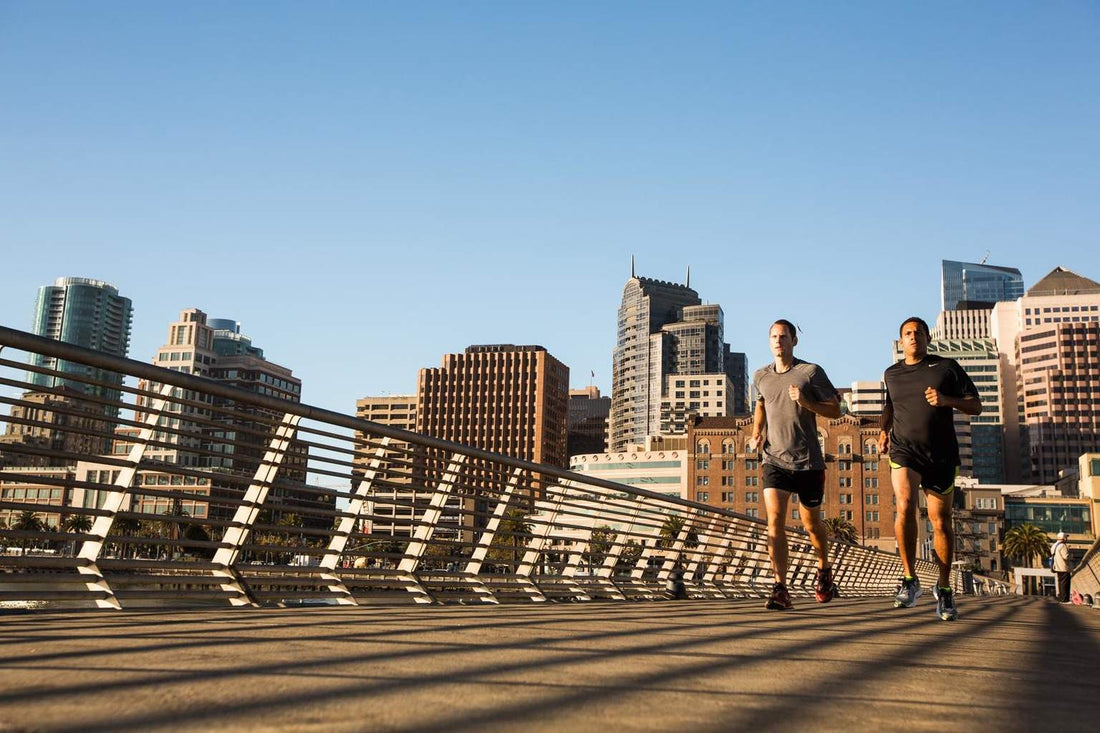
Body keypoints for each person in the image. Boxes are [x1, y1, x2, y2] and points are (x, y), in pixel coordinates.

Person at [879, 316, 982, 621]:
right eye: (908, 333)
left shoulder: (946, 367)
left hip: (941, 455)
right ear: (901, 341)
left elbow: (975, 405)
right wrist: (884, 430)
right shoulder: (892, 373)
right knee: (905, 504)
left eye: (918, 332)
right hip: (904, 450)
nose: (913, 337)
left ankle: (944, 587)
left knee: (941, 522)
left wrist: (946, 399)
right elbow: (890, 406)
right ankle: (910, 579)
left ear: (928, 338)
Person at [750, 319, 842, 611]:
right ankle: (780, 588)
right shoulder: (761, 376)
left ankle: (824, 568)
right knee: (774, 521)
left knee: (811, 524)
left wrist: (806, 402)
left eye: (784, 336)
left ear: (794, 341)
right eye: (774, 337)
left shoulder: (810, 372)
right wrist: (757, 431)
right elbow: (761, 404)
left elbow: (836, 409)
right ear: (769, 342)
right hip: (774, 460)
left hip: (808, 462)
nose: (778, 341)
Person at [1051, 531, 1072, 603]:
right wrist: (1071, 556)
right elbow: (1066, 557)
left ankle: (1061, 598)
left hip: (1057, 567)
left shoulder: (1054, 545)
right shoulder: (1062, 545)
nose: (1067, 539)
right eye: (1066, 537)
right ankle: (1065, 599)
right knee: (1065, 584)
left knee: (1060, 583)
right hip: (1063, 567)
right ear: (1064, 538)